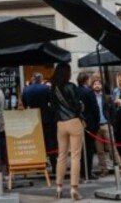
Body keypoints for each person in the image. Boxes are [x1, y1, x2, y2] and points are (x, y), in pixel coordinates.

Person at [50, 63, 85, 201]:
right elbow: (77, 105)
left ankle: (59, 187)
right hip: (74, 122)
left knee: (61, 156)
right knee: (76, 156)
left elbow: (53, 106)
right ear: (67, 73)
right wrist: (81, 107)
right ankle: (74, 189)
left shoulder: (53, 88)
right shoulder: (71, 86)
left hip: (60, 123)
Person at [22, 71, 57, 172]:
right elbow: (51, 101)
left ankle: (40, 165)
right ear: (41, 79)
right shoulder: (46, 88)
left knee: (37, 142)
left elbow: (24, 105)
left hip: (33, 119)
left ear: (33, 79)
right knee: (50, 142)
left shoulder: (26, 90)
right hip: (47, 117)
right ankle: (54, 165)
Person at [91, 75, 119, 176]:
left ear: (102, 85)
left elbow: (113, 112)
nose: (97, 86)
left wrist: (111, 123)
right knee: (100, 150)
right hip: (97, 126)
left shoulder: (107, 97)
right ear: (92, 86)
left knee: (112, 147)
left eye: (99, 84)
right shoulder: (91, 97)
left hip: (106, 124)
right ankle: (103, 169)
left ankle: (118, 166)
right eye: (95, 84)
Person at [74, 72, 99, 180]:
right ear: (86, 80)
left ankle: (80, 171)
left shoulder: (74, 91)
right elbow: (95, 108)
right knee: (88, 149)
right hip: (89, 123)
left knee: (78, 149)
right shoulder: (89, 91)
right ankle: (87, 171)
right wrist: (97, 122)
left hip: (76, 122)